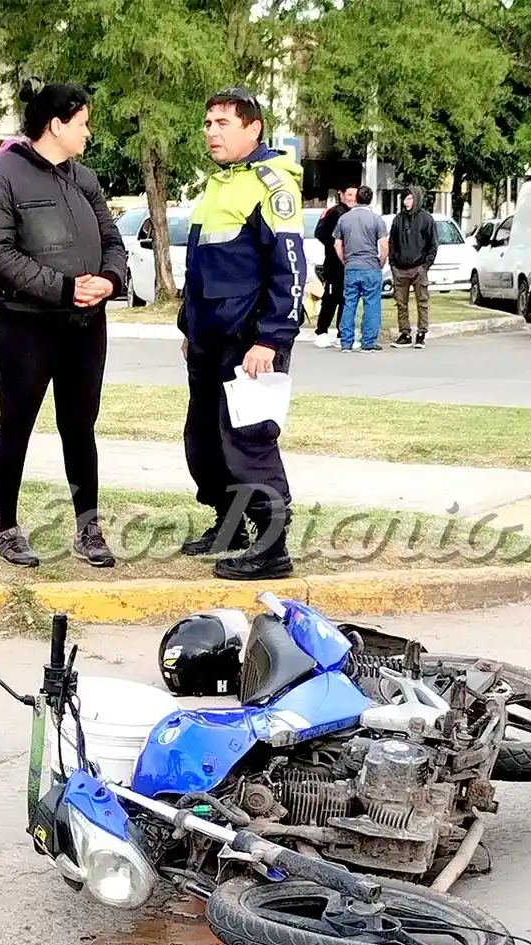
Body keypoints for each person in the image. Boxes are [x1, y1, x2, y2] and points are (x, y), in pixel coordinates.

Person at [0, 82, 128, 570]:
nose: (89, 131)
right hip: (26, 328)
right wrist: (64, 287)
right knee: (16, 426)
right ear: (56, 125)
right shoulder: (2, 176)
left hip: (86, 327)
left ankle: (89, 527)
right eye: (83, 122)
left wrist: (108, 279)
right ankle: (7, 529)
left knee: (80, 428)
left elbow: (112, 238)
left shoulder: (83, 177)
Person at [176, 86, 307, 581]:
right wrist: (189, 326)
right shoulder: (219, 183)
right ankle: (229, 526)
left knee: (249, 440)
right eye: (208, 122)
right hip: (209, 339)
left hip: (250, 341)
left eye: (223, 123)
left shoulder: (272, 184)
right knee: (204, 439)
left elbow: (290, 269)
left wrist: (270, 339)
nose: (211, 131)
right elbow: (200, 267)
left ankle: (272, 550)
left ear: (253, 129)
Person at [333, 185, 389, 352]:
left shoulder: (344, 219)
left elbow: (337, 244)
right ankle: (368, 342)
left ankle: (346, 343)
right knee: (372, 304)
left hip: (351, 266)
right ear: (370, 199)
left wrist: (345, 260)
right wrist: (381, 261)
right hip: (371, 266)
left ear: (356, 198)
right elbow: (384, 245)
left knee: (349, 304)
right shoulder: (376, 219)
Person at [388, 185, 438, 347]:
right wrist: (393, 263)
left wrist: (425, 265)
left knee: (422, 302)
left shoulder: (426, 219)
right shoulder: (398, 219)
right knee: (401, 303)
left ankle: (422, 333)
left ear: (416, 199)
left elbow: (433, 244)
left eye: (410, 198)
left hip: (419, 268)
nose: (407, 202)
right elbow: (392, 243)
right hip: (400, 268)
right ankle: (405, 333)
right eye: (405, 198)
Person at [312, 184, 357, 348]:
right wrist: (337, 246)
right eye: (350, 194)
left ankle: (341, 333)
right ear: (342, 194)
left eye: (355, 195)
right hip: (333, 264)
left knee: (347, 299)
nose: (352, 198)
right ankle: (321, 331)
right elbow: (320, 233)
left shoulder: (357, 214)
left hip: (351, 264)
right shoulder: (333, 212)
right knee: (330, 298)